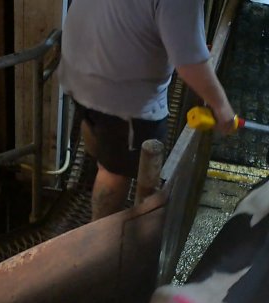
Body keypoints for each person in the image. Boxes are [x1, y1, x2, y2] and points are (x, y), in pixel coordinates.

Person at [58, 0, 236, 220]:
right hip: (122, 98)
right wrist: (222, 107)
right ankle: (97, 236)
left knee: (95, 122)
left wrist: (186, 37)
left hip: (77, 71)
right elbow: (190, 62)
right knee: (115, 170)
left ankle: (100, 160)